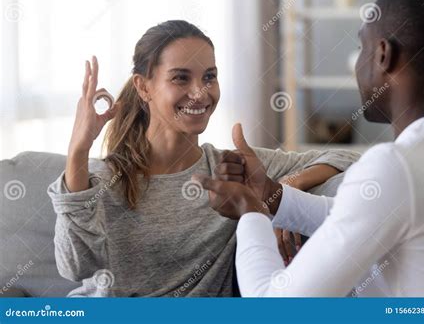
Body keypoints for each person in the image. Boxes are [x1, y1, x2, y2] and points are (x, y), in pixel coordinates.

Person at [195, 0, 424, 297]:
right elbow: (359, 213)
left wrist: (249, 211)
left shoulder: (396, 166)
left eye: (362, 48)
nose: (358, 64)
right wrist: (270, 194)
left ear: (383, 55)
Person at [47, 20, 360, 297]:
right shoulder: (107, 177)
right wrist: (78, 151)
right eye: (181, 78)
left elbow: (345, 157)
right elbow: (75, 267)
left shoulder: (230, 170)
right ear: (144, 87)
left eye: (209, 77)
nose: (200, 93)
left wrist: (279, 194)